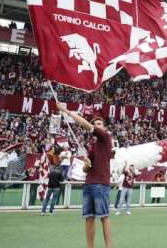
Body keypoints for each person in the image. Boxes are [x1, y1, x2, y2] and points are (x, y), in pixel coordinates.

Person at [57, 103, 112, 248]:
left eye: (99, 123)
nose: (97, 125)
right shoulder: (93, 146)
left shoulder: (106, 137)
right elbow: (86, 170)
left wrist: (66, 111)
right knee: (89, 218)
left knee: (104, 217)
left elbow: (85, 124)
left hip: (101, 183)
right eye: (95, 124)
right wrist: (87, 164)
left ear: (105, 127)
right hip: (89, 183)